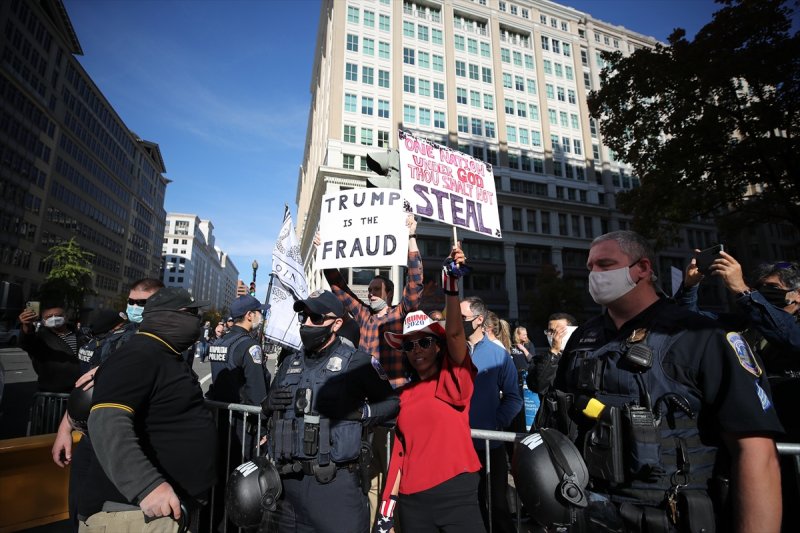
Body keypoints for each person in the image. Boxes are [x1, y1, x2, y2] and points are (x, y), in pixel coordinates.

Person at [536, 231, 783, 533]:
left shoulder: (700, 337)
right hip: (590, 513)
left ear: (643, 268)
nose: (595, 275)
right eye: (590, 267)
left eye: (605, 264)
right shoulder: (582, 340)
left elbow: (757, 452)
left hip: (671, 516)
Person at [262, 290, 399, 533]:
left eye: (315, 318)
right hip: (287, 488)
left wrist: (361, 413)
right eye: (303, 317)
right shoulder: (288, 363)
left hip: (334, 488)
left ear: (336, 324)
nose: (306, 323)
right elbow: (267, 412)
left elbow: (392, 404)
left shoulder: (358, 362)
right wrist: (268, 403)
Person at [82, 288, 216, 532]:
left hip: (168, 511)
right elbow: (106, 421)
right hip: (136, 515)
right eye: (192, 313)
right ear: (172, 316)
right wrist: (147, 486)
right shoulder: (139, 354)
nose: (198, 320)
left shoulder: (165, 356)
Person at [375, 244, 484, 533]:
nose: (417, 349)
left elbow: (456, 333)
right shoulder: (405, 394)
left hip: (456, 495)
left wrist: (450, 285)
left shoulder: (454, 378)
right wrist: (386, 510)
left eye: (424, 342)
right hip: (412, 504)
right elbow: (400, 453)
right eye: (409, 345)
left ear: (438, 346)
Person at [52, 279, 163, 530]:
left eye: (142, 303)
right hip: (92, 438)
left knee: (110, 515)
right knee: (79, 507)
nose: (135, 307)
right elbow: (85, 388)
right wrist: (64, 429)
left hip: (126, 443)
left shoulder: (161, 342)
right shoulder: (116, 339)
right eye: (132, 302)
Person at [321, 215, 422, 387]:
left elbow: (415, 283)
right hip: (365, 388)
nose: (371, 294)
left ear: (389, 294)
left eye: (376, 289)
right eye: (369, 290)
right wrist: (325, 253)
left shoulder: (399, 314)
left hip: (394, 389)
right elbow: (339, 288)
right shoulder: (364, 315)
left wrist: (411, 238)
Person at [462, 296, 523, 533]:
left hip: (489, 447)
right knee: (465, 507)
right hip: (456, 446)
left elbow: (514, 397)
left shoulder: (499, 355)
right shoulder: (449, 352)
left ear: (479, 320)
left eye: (463, 318)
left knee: (496, 506)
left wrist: (495, 425)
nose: (457, 322)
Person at [19, 302, 89, 393]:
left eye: (58, 315)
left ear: (66, 317)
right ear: (43, 321)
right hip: (52, 394)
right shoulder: (39, 338)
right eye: (49, 317)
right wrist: (27, 325)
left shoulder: (81, 335)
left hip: (80, 391)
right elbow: (26, 341)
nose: (54, 318)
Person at [526, 312, 578, 397]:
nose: (553, 336)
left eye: (557, 331)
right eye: (550, 331)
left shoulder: (581, 357)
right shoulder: (540, 359)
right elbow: (537, 386)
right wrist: (553, 352)